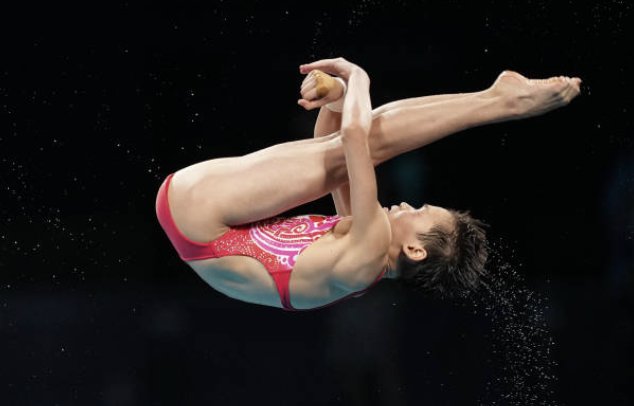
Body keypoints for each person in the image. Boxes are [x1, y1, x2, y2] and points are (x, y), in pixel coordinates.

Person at [155, 57, 582, 311]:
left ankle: (502, 102)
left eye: (418, 214)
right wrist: (337, 100)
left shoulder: (369, 250)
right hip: (197, 221)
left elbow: (356, 139)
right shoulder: (363, 255)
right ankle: (496, 99)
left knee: (367, 144)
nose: (407, 205)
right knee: (349, 153)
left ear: (415, 249)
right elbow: (331, 146)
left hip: (200, 214)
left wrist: (355, 76)